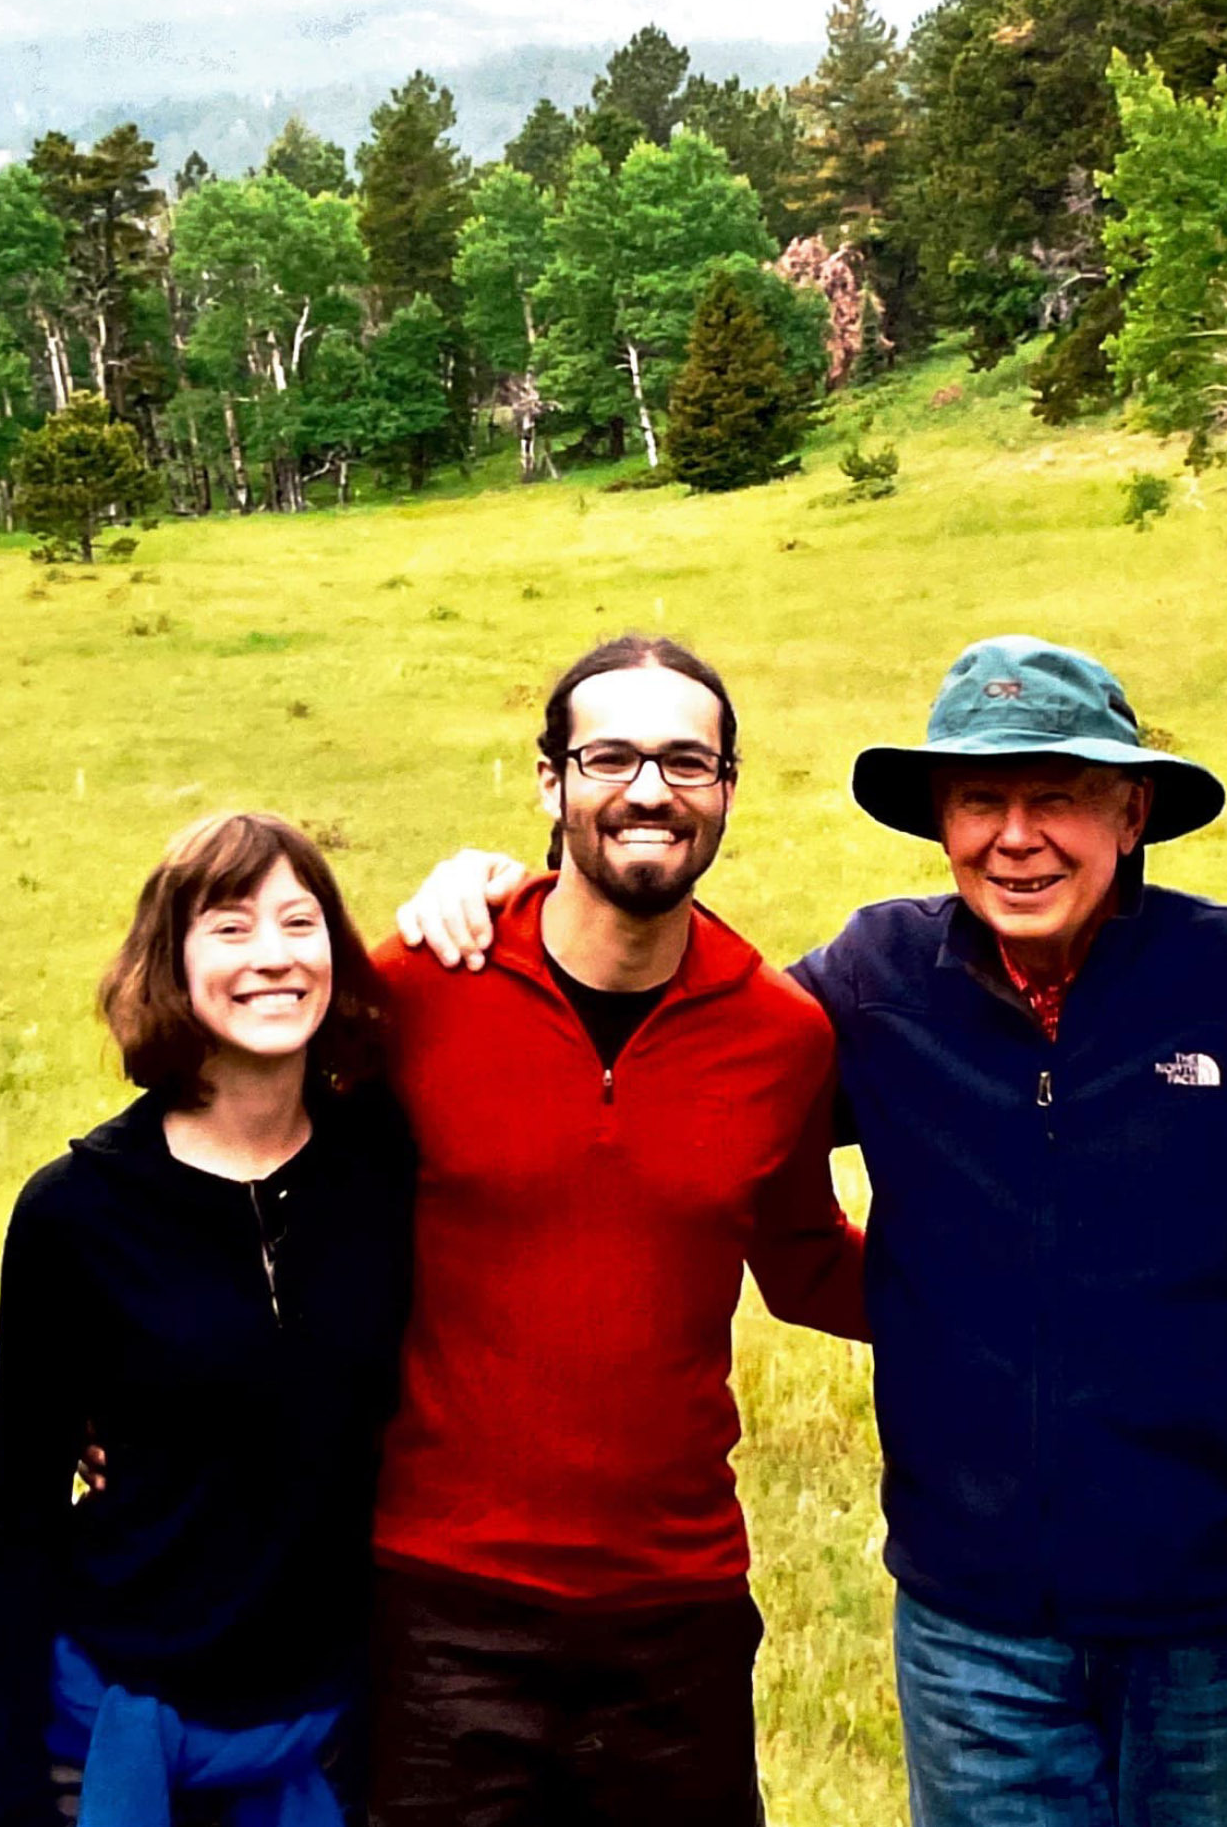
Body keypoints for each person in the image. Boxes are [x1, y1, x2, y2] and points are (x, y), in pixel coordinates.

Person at [398, 635, 1227, 1827]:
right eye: (981, 798)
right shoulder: (875, 981)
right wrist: (496, 899)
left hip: (1225, 1619)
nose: (1017, 835)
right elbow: (688, 1057)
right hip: (973, 1618)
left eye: (1060, 797)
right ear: (941, 820)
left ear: (1133, 810)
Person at [361, 634, 867, 1827]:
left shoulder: (779, 1033)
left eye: (687, 760)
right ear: (550, 783)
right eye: (612, 756)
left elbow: (802, 1262)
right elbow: (260, 1182)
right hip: (439, 1606)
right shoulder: (421, 985)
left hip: (674, 1612)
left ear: (728, 790)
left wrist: (1026, 1283)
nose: (650, 789)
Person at [0, 812, 415, 1827]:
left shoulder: (382, 1164)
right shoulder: (76, 1213)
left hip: (325, 1730)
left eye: (300, 923)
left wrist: (483, 880)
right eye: (229, 926)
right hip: (111, 1724)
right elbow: (21, 1519)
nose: (273, 956)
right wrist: (22, 1792)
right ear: (169, 962)